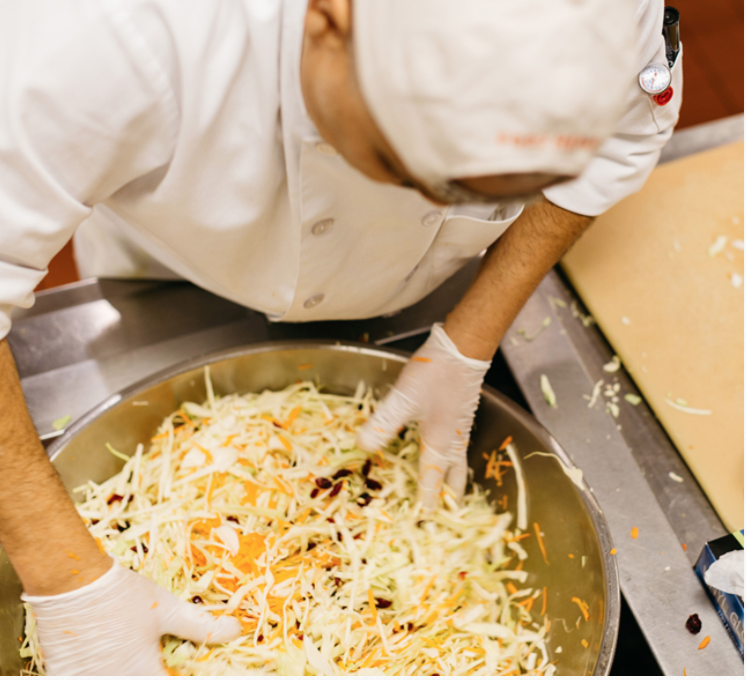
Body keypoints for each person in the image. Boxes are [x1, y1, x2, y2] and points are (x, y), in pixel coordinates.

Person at [0, 0, 681, 674]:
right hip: (169, 272)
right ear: (328, 20)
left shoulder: (605, 18)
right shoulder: (103, 33)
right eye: (404, 166)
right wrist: (71, 583)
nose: (439, 207)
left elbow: (628, 133)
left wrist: (471, 335)